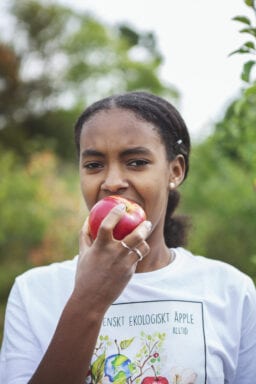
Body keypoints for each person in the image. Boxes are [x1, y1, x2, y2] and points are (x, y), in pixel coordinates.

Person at [0, 91, 256, 384]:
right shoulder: (34, 293)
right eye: (94, 165)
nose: (112, 182)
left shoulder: (231, 291)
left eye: (136, 162)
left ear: (175, 171)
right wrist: (88, 299)